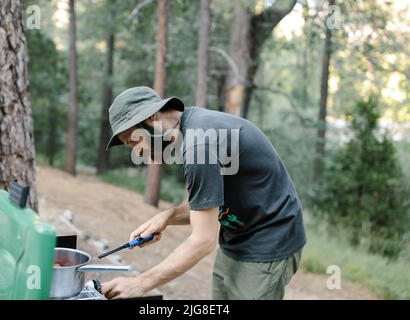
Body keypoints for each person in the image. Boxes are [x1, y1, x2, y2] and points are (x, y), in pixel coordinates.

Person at [101, 86, 306, 300]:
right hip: (237, 238)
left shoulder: (198, 146)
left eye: (134, 141)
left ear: (152, 117)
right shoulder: (189, 129)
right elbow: (204, 202)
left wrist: (139, 284)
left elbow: (203, 240)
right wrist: (168, 216)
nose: (138, 151)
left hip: (269, 240)